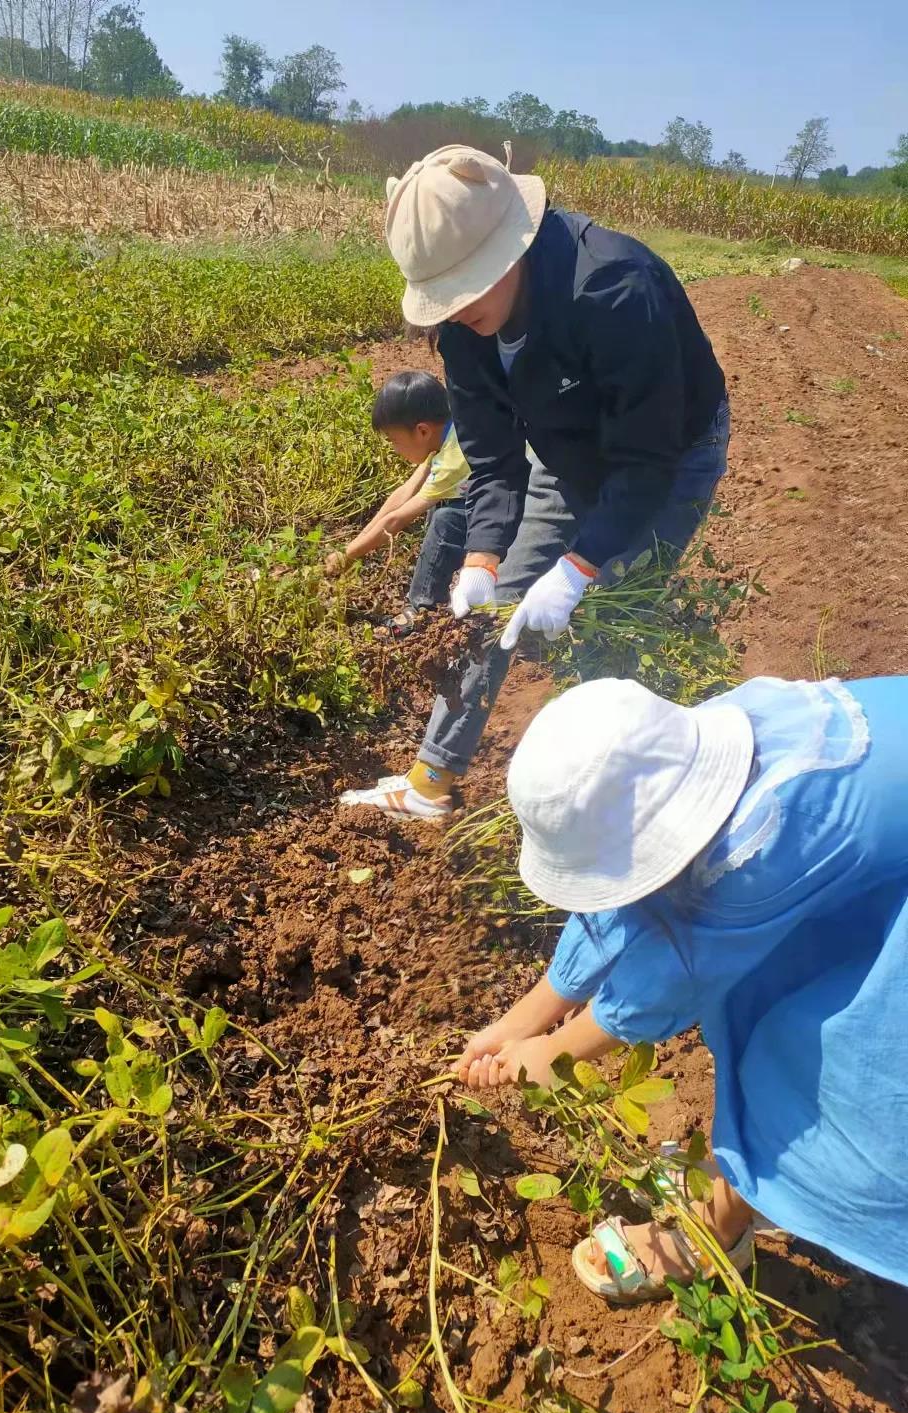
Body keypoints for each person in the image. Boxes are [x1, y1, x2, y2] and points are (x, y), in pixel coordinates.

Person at [456, 673, 908, 1301]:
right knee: (773, 988)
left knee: (830, 1057)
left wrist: (550, 1057)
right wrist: (523, 1021)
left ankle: (721, 1231)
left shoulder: (763, 845)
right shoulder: (691, 750)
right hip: (877, 847)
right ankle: (740, 1173)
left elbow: (672, 978)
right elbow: (628, 904)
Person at [341, 145, 729, 819]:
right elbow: (494, 461)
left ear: (509, 248)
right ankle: (431, 781)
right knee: (488, 616)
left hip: (667, 452)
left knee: (611, 611)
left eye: (462, 293)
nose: (454, 313)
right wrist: (484, 557)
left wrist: (580, 567)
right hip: (560, 440)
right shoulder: (463, 330)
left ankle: (623, 794)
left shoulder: (611, 287)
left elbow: (644, 461)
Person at [325, 371, 470, 638]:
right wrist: (354, 544)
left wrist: (348, 556)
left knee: (446, 518)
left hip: (515, 517)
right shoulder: (445, 435)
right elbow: (403, 494)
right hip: (492, 508)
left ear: (422, 430)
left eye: (394, 441)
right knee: (442, 509)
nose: (394, 449)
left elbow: (396, 520)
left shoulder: (453, 457)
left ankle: (420, 610)